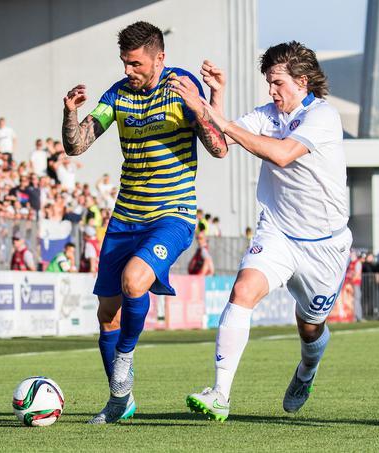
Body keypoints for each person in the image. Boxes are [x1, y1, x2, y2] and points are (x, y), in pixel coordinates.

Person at [61, 21, 226, 424]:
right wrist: (70, 113)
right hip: (125, 215)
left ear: (159, 58)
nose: (128, 70)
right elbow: (76, 145)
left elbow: (219, 148)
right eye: (124, 62)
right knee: (107, 315)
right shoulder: (117, 95)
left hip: (173, 214)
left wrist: (201, 107)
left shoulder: (183, 86)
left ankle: (126, 360)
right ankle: (121, 399)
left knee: (135, 281)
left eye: (135, 63)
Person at [180, 41, 351, 420]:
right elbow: (222, 141)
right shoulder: (267, 114)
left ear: (302, 82)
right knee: (242, 291)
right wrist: (215, 96)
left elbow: (281, 154)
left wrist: (218, 117)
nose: (272, 92)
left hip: (324, 246)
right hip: (277, 231)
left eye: (278, 83)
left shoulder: (323, 116)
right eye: (269, 84)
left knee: (309, 328)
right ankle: (220, 394)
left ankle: (306, 370)